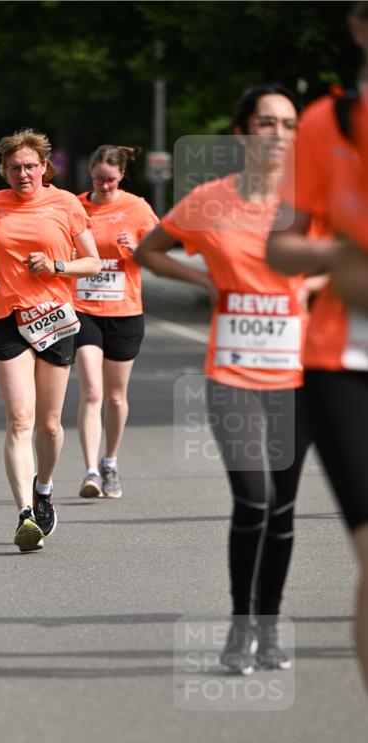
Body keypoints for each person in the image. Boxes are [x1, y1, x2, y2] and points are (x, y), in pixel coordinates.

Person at [135, 84, 310, 674]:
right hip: (232, 374)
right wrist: (205, 282)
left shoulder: (313, 202)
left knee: (283, 509)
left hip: (298, 377)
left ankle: (269, 626)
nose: (279, 134)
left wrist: (312, 287)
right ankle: (240, 627)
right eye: (267, 122)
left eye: (289, 124)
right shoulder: (210, 200)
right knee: (254, 498)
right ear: (242, 132)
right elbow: (149, 251)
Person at [266, 1, 368, 743]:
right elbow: (282, 243)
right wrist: (343, 253)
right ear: (358, 26)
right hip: (343, 362)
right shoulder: (324, 123)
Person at [0, 128, 100, 552]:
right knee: (20, 419)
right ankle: (25, 514)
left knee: (49, 424)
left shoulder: (66, 204)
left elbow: (93, 262)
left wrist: (57, 266)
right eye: (13, 168)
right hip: (8, 317)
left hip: (54, 319)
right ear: (3, 171)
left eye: (29, 166)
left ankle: (44, 488)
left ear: (44, 167)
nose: (22, 174)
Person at [73, 145, 158, 498]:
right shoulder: (75, 206)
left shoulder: (138, 208)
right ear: (90, 175)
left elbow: (157, 256)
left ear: (122, 175)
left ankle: (110, 461)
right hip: (83, 308)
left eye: (110, 180)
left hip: (124, 311)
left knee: (116, 397)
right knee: (92, 390)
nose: (104, 186)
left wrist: (136, 248)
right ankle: (90, 472)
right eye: (98, 179)